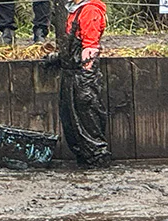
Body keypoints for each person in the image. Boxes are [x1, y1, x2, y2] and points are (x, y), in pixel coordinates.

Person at [50, 0, 110, 168]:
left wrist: (85, 79)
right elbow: (73, 45)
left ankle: (98, 164)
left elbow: (90, 46)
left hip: (82, 78)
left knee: (88, 127)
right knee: (71, 125)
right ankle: (85, 163)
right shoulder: (75, 10)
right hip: (71, 75)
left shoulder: (90, 10)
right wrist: (59, 58)